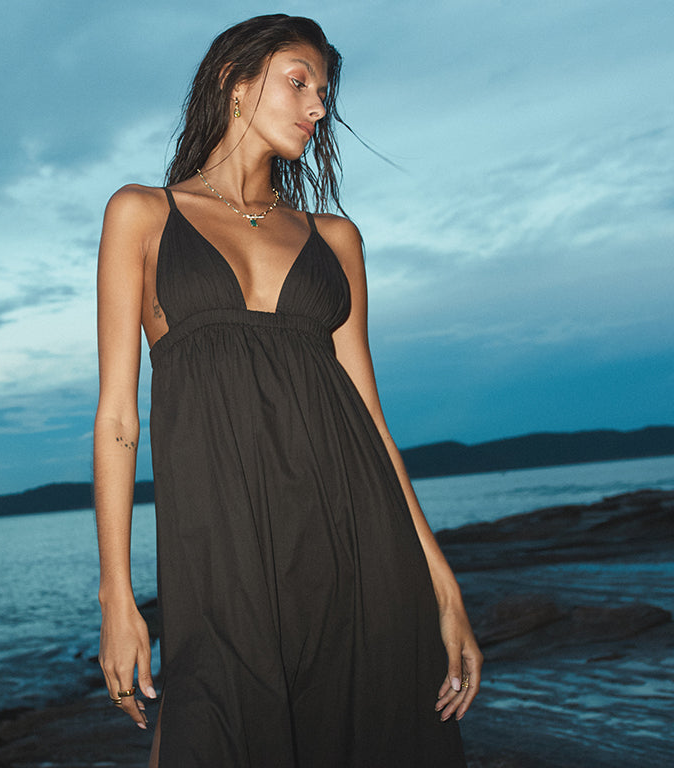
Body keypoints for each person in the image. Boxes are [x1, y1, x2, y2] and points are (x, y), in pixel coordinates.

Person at [93, 13, 482, 767]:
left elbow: (369, 415)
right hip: (220, 545)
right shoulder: (142, 214)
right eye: (297, 82)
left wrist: (443, 583)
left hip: (358, 536)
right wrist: (117, 594)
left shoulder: (335, 239)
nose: (316, 106)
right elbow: (117, 420)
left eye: (324, 93)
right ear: (234, 85)